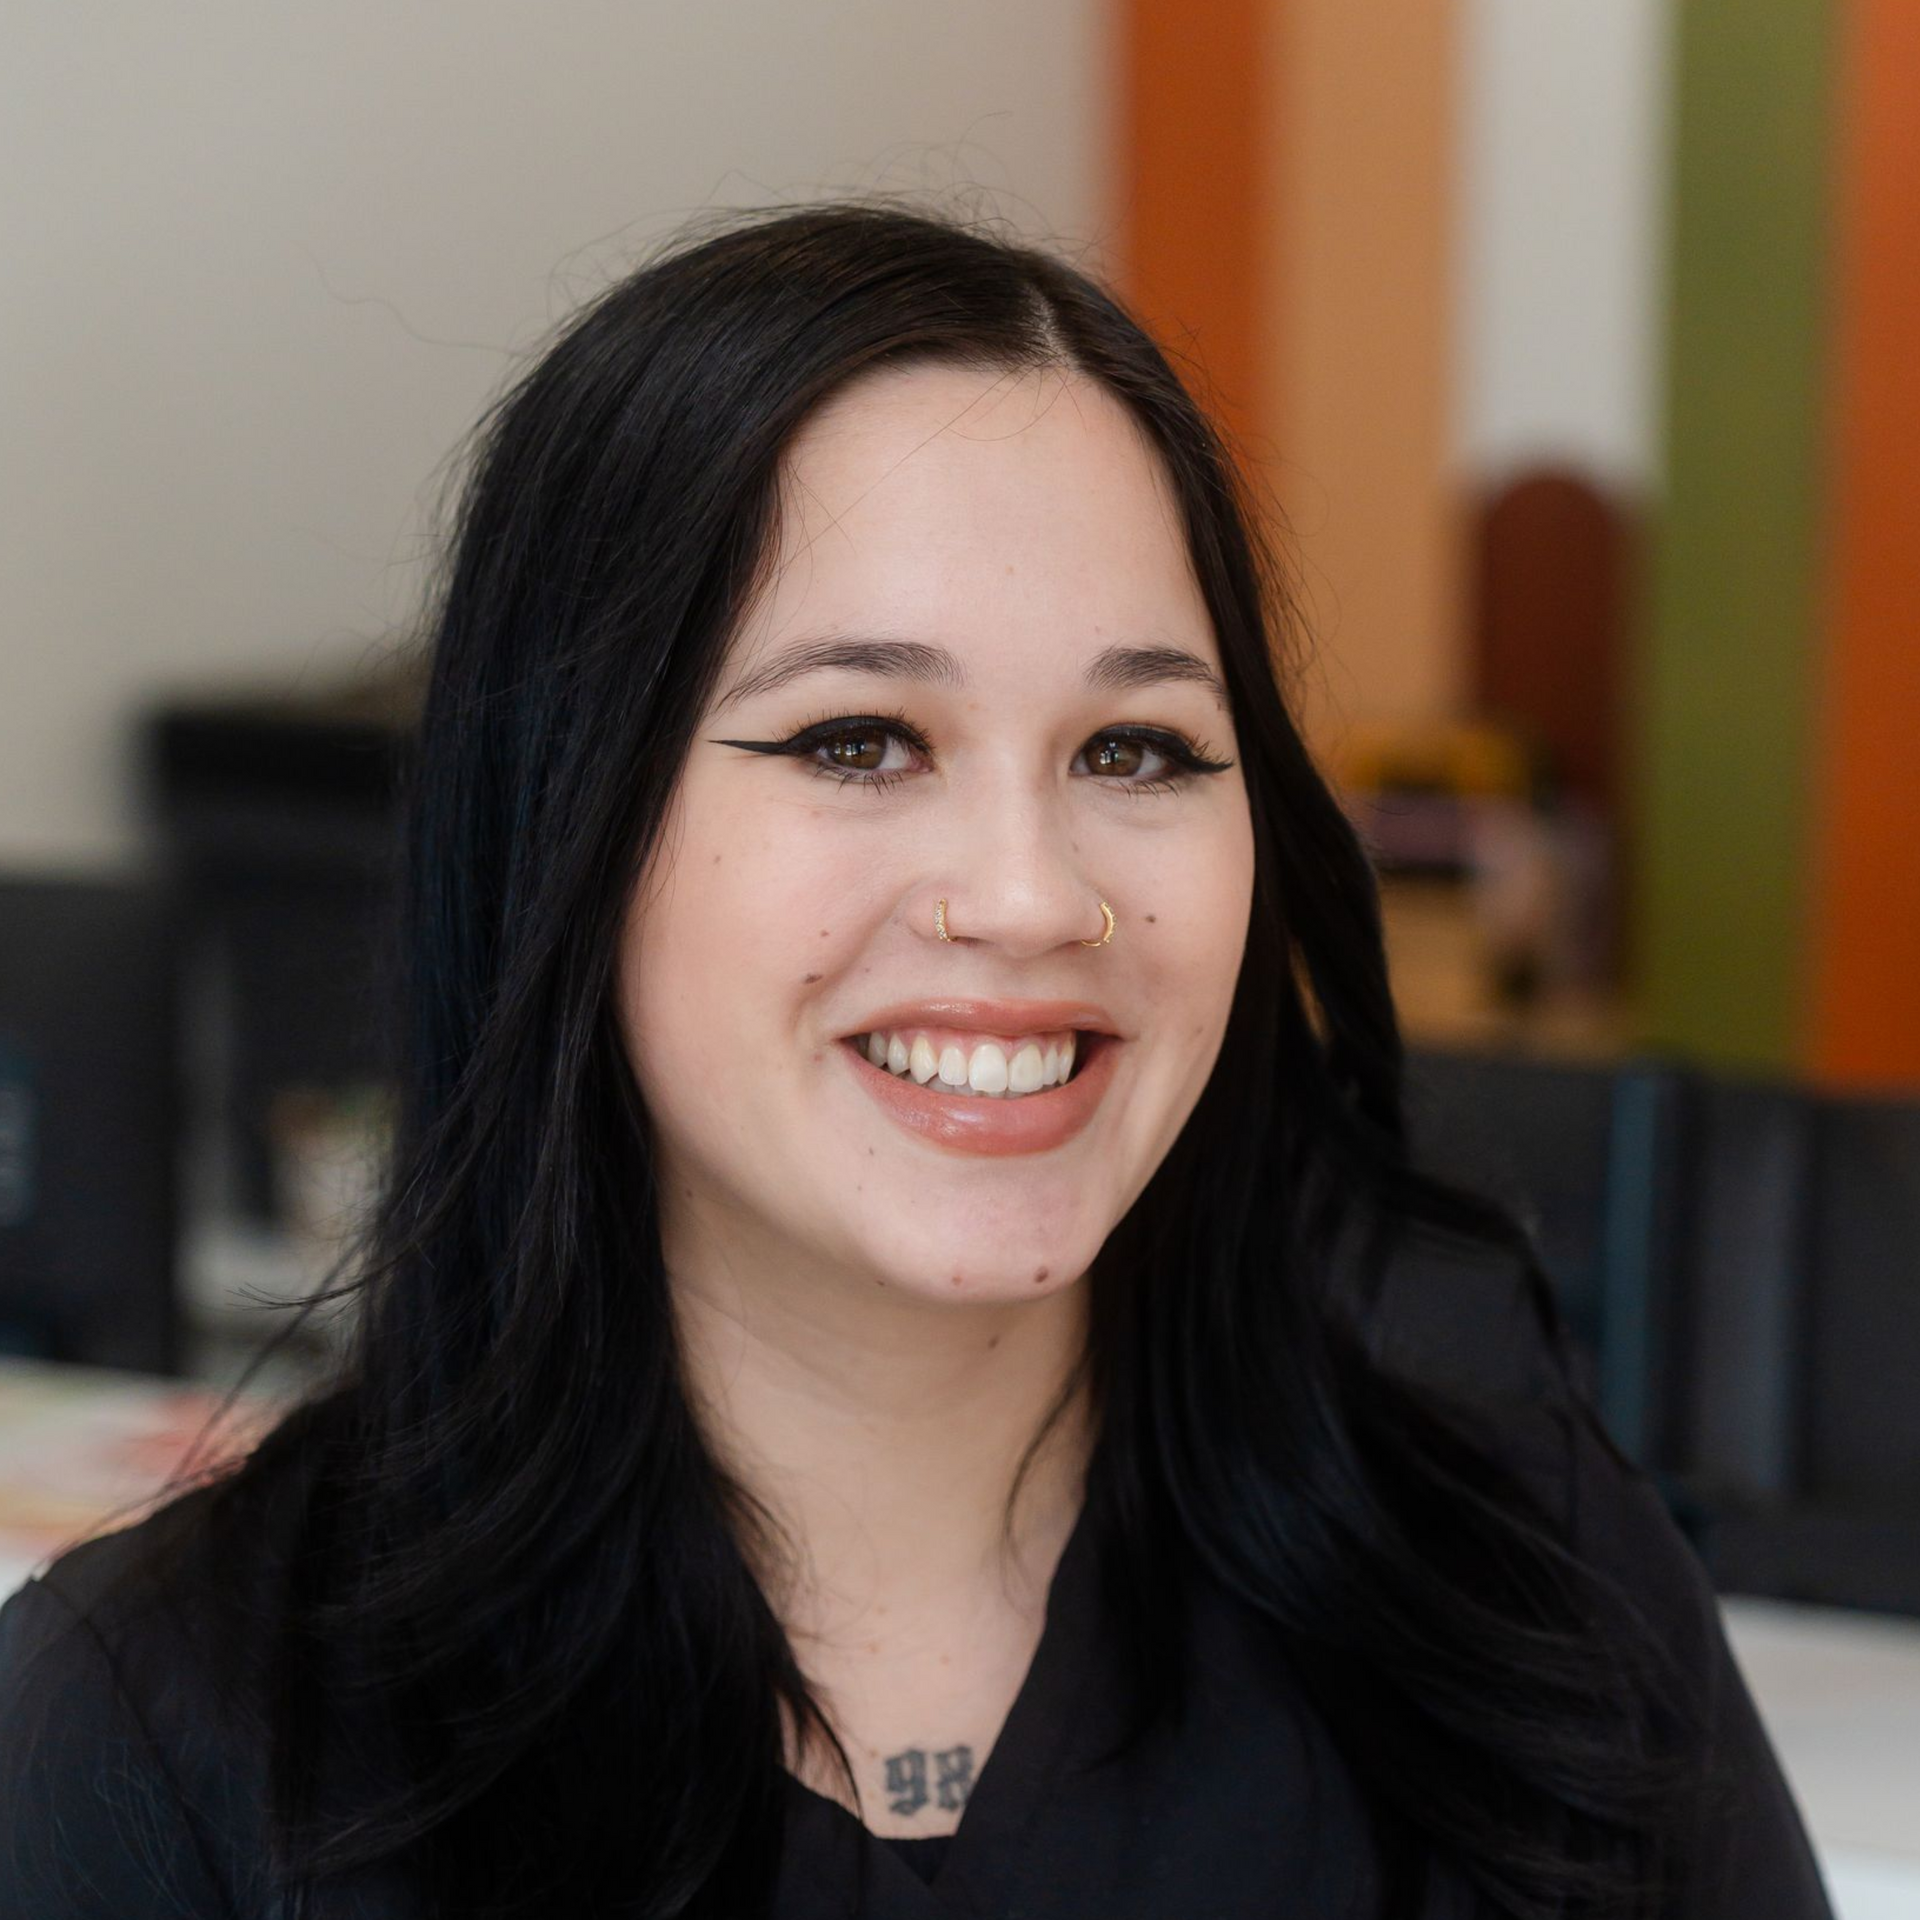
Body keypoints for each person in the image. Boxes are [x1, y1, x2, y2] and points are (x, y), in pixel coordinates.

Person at [0, 199, 1834, 1920]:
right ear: (566, 824)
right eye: (860, 738)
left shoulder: (1526, 1590)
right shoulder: (165, 1739)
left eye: (1137, 751)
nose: (1032, 897)